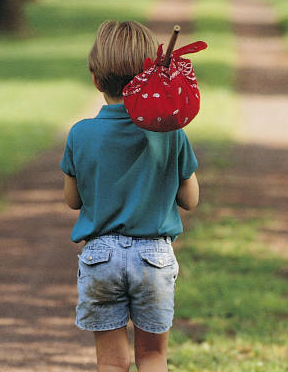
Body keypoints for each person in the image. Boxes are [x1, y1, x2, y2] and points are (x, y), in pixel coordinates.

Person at [60, 20, 199, 372]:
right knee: (152, 356)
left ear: (95, 79)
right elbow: (191, 199)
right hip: (154, 258)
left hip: (100, 258)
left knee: (111, 362)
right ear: (151, 74)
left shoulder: (81, 134)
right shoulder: (169, 133)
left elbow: (73, 200)